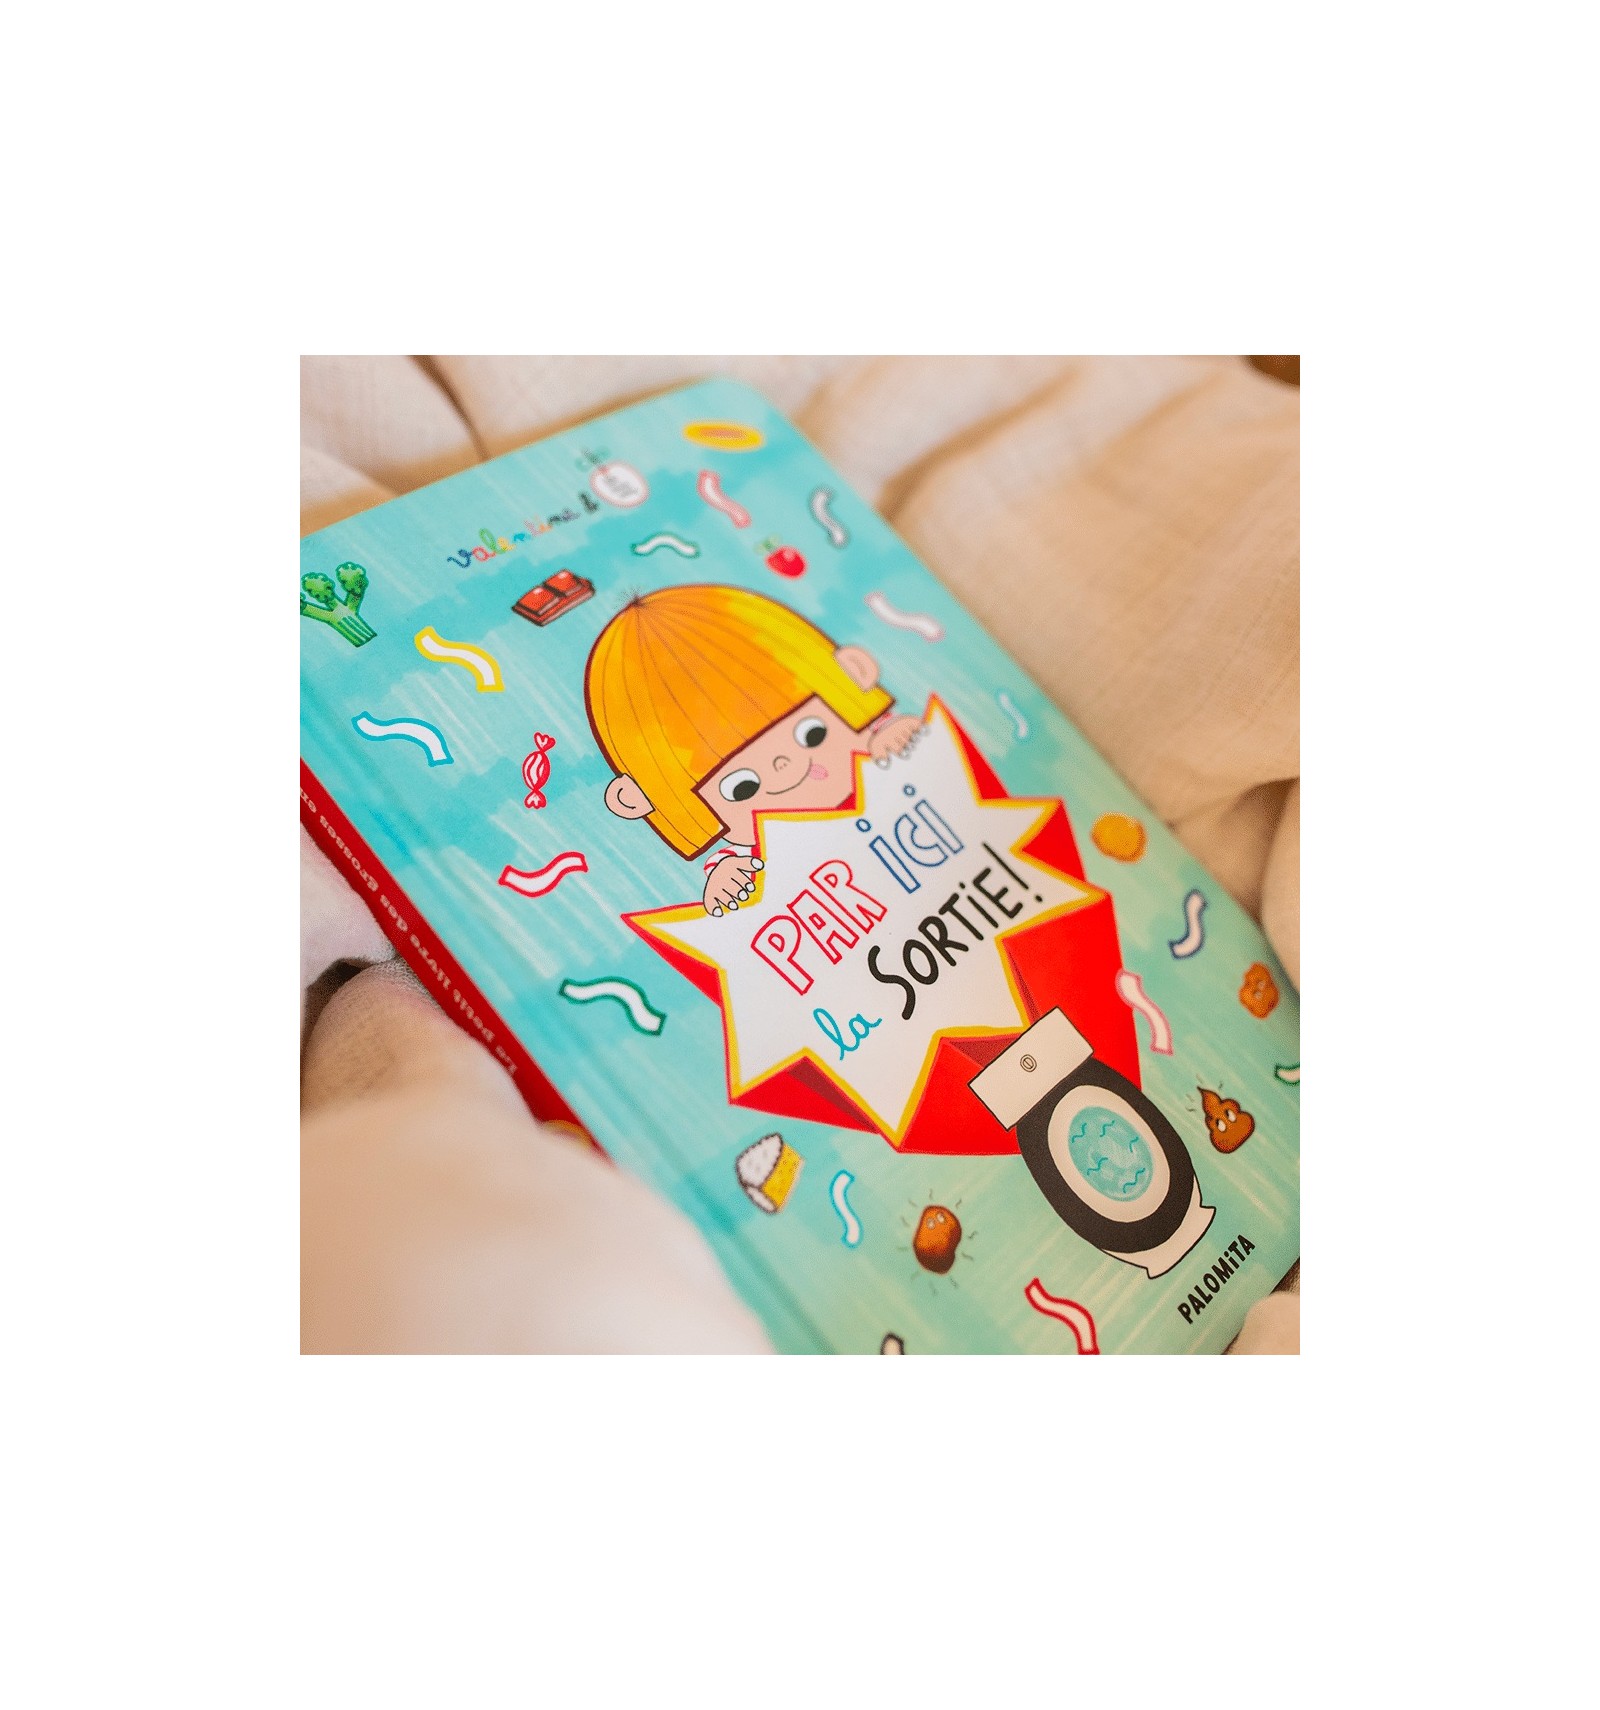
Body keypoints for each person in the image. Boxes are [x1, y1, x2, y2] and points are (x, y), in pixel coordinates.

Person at [586, 584, 922, 915]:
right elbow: (738, 866)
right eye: (741, 788)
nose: (784, 766)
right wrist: (725, 879)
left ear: (856, 670)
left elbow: (905, 737)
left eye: (813, 734)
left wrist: (898, 738)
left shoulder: (875, 747)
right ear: (638, 799)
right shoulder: (759, 850)